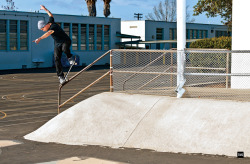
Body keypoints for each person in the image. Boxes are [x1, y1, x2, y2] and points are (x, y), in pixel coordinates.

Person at [33, 5, 74, 84]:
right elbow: (50, 15)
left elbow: (47, 34)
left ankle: (70, 57)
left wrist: (39, 39)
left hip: (66, 40)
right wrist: (45, 9)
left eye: (42, 29)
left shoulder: (53, 27)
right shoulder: (50, 21)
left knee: (65, 49)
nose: (43, 30)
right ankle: (60, 76)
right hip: (57, 43)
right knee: (56, 58)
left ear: (45, 26)